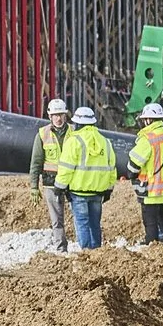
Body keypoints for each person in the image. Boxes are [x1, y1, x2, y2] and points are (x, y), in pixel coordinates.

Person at [58, 104, 118, 249]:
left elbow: (66, 167)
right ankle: (96, 252)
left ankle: (85, 253)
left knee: (82, 224)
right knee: (94, 224)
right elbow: (112, 168)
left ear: (78, 123)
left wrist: (60, 186)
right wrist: (109, 189)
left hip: (78, 192)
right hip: (98, 193)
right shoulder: (105, 142)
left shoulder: (74, 141)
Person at [128, 100, 163, 249]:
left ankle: (152, 251)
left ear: (148, 120)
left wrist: (132, 174)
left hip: (151, 190)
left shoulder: (148, 138)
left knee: (150, 223)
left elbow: (134, 163)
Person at [29, 97, 75, 250]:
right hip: (51, 182)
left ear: (65, 115)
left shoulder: (75, 132)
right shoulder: (43, 134)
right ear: (49, 117)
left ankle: (83, 248)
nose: (58, 118)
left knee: (79, 216)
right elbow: (36, 162)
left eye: (61, 114)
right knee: (57, 219)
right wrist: (33, 186)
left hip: (73, 181)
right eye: (55, 115)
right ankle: (61, 248)